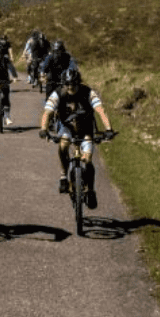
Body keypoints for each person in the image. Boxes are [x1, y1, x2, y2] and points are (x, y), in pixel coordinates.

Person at [38, 63, 114, 209]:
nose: (70, 87)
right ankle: (63, 174)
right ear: (63, 84)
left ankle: (91, 190)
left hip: (85, 128)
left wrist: (108, 129)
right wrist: (44, 129)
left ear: (79, 83)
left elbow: (100, 110)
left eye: (73, 84)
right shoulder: (58, 93)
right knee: (63, 145)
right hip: (67, 127)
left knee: (88, 159)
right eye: (67, 85)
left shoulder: (88, 92)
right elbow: (47, 113)